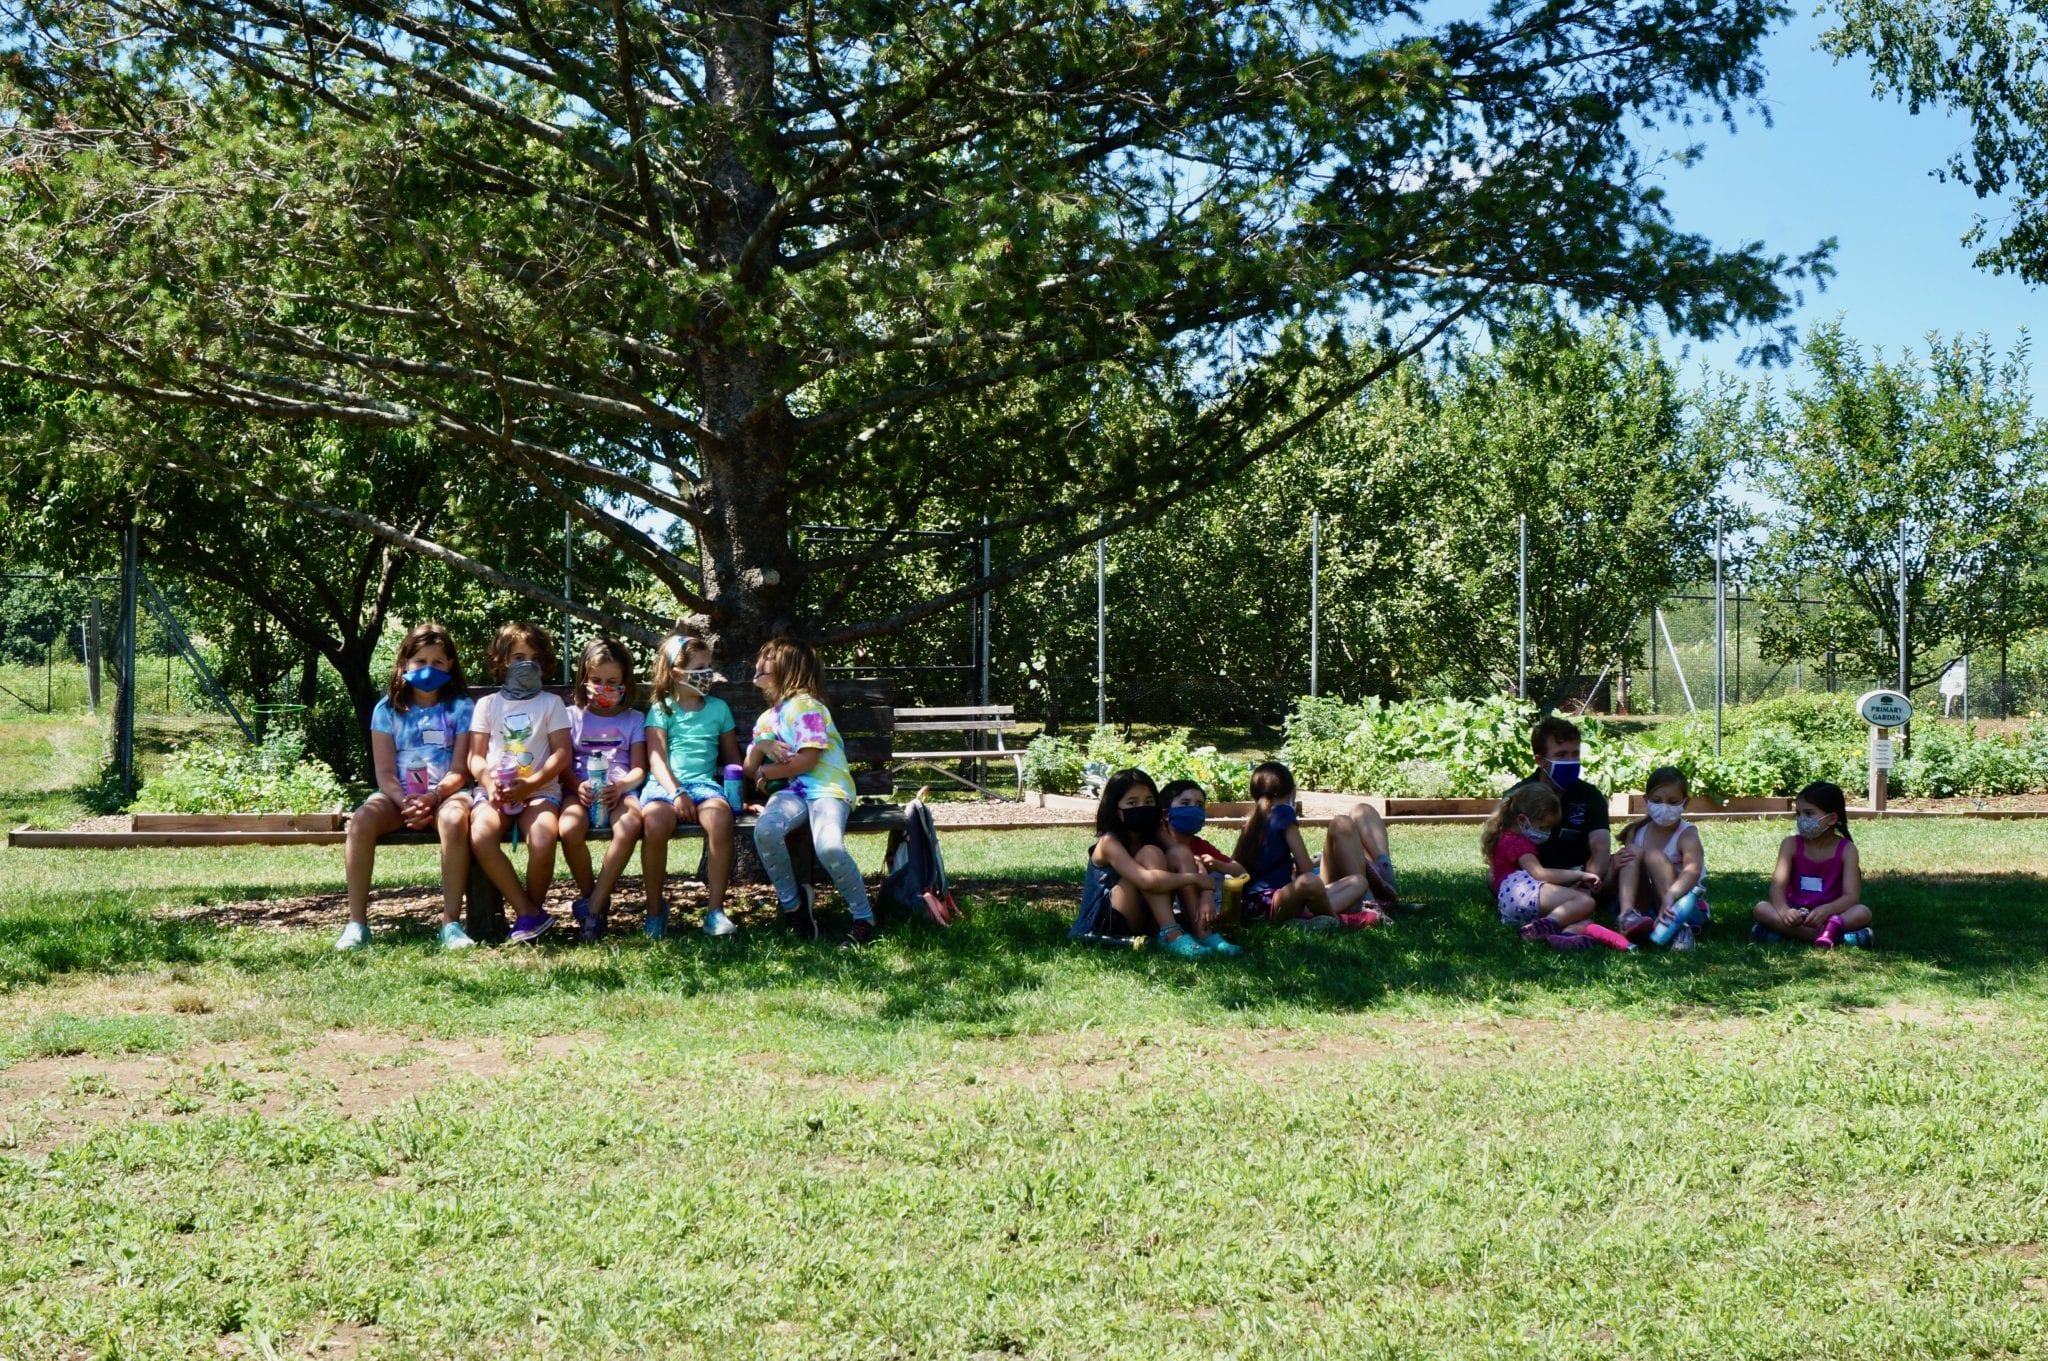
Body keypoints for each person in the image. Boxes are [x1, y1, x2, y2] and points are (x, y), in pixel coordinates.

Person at [337, 622, 477, 952]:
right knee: (361, 821)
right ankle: (356, 924)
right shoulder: (386, 710)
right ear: (404, 664)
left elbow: (461, 770)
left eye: (438, 662)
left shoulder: (461, 708)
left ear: (450, 666)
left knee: (456, 820)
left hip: (445, 795)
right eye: (420, 662)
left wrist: (432, 797)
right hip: (397, 798)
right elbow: (384, 773)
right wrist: (406, 802)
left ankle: (451, 925)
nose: (429, 669)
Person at [745, 635, 879, 946]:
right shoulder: (767, 718)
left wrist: (767, 771)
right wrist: (761, 747)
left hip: (828, 790)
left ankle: (863, 917)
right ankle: (794, 907)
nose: (759, 663)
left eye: (769, 658)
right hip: (793, 794)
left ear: (791, 669)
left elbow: (807, 760)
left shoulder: (806, 706)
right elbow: (750, 768)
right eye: (760, 656)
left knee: (829, 847)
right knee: (766, 829)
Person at [467, 621, 575, 944]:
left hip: (540, 790)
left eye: (533, 657)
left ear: (544, 663)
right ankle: (528, 912)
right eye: (517, 657)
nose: (525, 663)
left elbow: (561, 755)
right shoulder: (487, 705)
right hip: (495, 792)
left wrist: (531, 785)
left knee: (542, 841)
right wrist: (489, 784)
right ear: (501, 662)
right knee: (482, 836)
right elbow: (475, 757)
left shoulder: (551, 704)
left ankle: (531, 915)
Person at [641, 631, 742, 939]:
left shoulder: (718, 709)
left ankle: (714, 911)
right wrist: (676, 792)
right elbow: (656, 759)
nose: (708, 675)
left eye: (709, 667)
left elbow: (732, 759)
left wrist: (740, 794)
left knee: (720, 819)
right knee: (656, 824)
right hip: (665, 787)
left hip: (705, 786)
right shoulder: (662, 709)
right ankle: (656, 910)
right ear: (676, 673)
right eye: (700, 668)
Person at [1070, 768, 1233, 957]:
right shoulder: (1109, 843)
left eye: (1149, 802)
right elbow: (1147, 881)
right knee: (1151, 853)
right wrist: (1196, 880)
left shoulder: (1156, 831)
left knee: (1179, 851)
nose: (1142, 807)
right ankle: (1171, 933)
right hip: (1106, 923)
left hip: (1146, 918)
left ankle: (1202, 931)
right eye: (1132, 802)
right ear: (1115, 809)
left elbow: (1190, 859)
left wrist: (1206, 892)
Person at [558, 637, 649, 943]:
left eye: (612, 681)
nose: (603, 687)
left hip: (620, 790)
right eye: (595, 680)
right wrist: (577, 785)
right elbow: (564, 767)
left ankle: (595, 908)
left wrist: (621, 786)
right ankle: (589, 895)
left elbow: (639, 769)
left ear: (625, 681)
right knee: (568, 829)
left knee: (630, 825)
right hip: (580, 790)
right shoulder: (571, 717)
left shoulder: (634, 719)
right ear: (583, 678)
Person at [1231, 760, 1381, 930]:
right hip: (1271, 902)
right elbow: (1306, 869)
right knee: (1311, 881)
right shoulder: (1284, 813)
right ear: (1290, 790)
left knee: (1359, 881)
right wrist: (1312, 864)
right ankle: (1338, 921)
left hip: (1255, 906)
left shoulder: (1250, 822)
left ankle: (1303, 919)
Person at [1504, 715, 1626, 904]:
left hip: (1583, 874)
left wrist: (1586, 880)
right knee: (1493, 876)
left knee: (1628, 859)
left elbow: (1600, 847)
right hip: (1534, 878)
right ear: (1540, 760)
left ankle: (1584, 898)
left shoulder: (1590, 796)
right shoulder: (1517, 796)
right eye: (1561, 755)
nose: (1570, 761)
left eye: (1575, 754)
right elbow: (1507, 850)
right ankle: (1568, 901)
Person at [1752, 781, 1873, 948]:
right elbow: (1777, 888)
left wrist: (1825, 910)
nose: (1802, 819)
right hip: (1796, 914)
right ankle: (1829, 937)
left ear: (1832, 818)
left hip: (1831, 915)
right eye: (1798, 814)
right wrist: (1784, 911)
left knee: (1862, 912)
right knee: (1761, 909)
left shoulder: (1847, 850)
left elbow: (1851, 896)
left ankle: (1784, 934)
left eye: (1809, 813)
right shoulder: (1790, 844)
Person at [1481, 781, 1599, 949]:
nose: (1545, 833)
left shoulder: (1503, 838)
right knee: (1586, 902)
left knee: (1580, 915)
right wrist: (1581, 874)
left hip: (1511, 904)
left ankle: (1567, 935)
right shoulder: (1518, 842)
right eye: (1542, 827)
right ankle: (1548, 923)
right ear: (1522, 819)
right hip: (1522, 893)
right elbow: (1540, 873)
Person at [1614, 765, 1708, 949]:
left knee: (1655, 856)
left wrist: (1671, 896)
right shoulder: (1636, 831)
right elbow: (1627, 869)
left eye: (1673, 801)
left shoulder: (1687, 834)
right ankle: (1627, 917)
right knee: (1633, 853)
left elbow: (1693, 871)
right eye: (1657, 800)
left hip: (1684, 906)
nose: (1664, 807)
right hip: (1648, 904)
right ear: (1646, 800)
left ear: (1685, 803)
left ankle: (1680, 928)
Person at [1156, 779, 1245, 954]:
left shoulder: (1201, 846)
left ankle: (1203, 932)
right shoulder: (1159, 844)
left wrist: (1217, 864)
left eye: (1199, 805)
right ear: (1166, 814)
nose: (1194, 809)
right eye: (1185, 803)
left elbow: (1240, 871)